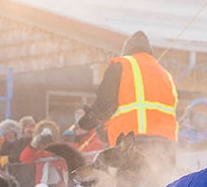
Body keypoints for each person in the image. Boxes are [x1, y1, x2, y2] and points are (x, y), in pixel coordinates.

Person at [76, 30, 178, 175]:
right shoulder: (166, 75)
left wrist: (85, 123)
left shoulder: (121, 65)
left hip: (131, 143)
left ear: (127, 51)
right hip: (165, 145)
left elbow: (104, 105)